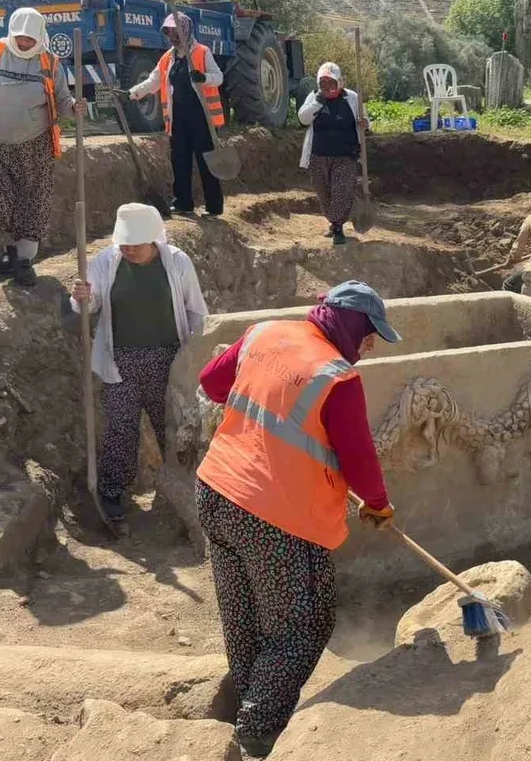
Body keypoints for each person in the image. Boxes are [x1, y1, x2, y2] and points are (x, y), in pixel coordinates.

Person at [195, 279, 399, 758]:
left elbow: (211, 384)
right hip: (274, 517)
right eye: (369, 336)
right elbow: (359, 458)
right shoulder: (337, 376)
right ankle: (254, 735)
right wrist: (378, 503)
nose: (368, 348)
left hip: (216, 491)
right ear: (351, 326)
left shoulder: (265, 333)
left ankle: (248, 703)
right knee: (302, 626)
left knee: (243, 614)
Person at [69, 203, 208, 528]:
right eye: (125, 243)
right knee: (121, 428)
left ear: (153, 238)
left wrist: (195, 355)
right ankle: (112, 493)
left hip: (169, 361)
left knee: (172, 430)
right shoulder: (107, 260)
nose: (129, 249)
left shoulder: (176, 262)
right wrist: (81, 297)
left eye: (136, 244)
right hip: (121, 361)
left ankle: (186, 494)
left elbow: (196, 312)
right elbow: (88, 304)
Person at [0, 7, 85, 287]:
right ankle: (11, 247)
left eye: (29, 39)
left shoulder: (50, 62)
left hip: (35, 146)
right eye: (19, 37)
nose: (23, 43)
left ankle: (23, 262)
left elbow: (62, 100)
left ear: (39, 37)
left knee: (33, 203)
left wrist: (73, 107)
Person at [128, 12, 225, 216]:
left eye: (176, 31)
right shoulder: (167, 58)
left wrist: (203, 77)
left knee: (206, 161)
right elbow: (153, 81)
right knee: (180, 160)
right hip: (178, 117)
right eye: (169, 32)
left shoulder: (201, 52)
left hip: (201, 117)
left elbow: (219, 78)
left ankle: (214, 206)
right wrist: (135, 92)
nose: (172, 36)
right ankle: (183, 203)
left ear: (186, 30)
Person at [297, 62, 365, 246]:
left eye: (330, 81)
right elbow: (303, 119)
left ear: (339, 82)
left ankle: (338, 226)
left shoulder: (351, 98)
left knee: (341, 190)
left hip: (345, 154)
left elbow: (363, 120)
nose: (326, 86)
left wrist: (366, 124)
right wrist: (318, 102)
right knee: (323, 192)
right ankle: (334, 221)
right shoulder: (314, 97)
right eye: (322, 82)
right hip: (318, 155)